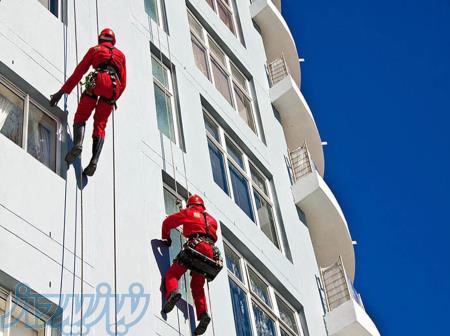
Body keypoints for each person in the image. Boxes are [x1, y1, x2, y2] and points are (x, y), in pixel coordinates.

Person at [50, 28, 127, 176]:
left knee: (82, 114)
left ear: (100, 39)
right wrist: (113, 98)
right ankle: (94, 160)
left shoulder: (95, 49)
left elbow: (79, 72)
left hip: (97, 78)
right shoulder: (121, 56)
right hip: (114, 87)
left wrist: (62, 92)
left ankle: (78, 144)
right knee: (100, 124)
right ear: (113, 41)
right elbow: (124, 83)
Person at [161, 194, 217, 335]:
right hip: (210, 253)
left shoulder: (189, 212)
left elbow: (168, 222)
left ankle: (173, 292)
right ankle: (203, 313)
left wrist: (166, 238)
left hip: (196, 245)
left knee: (173, 274)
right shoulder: (212, 220)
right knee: (197, 285)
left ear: (190, 205)